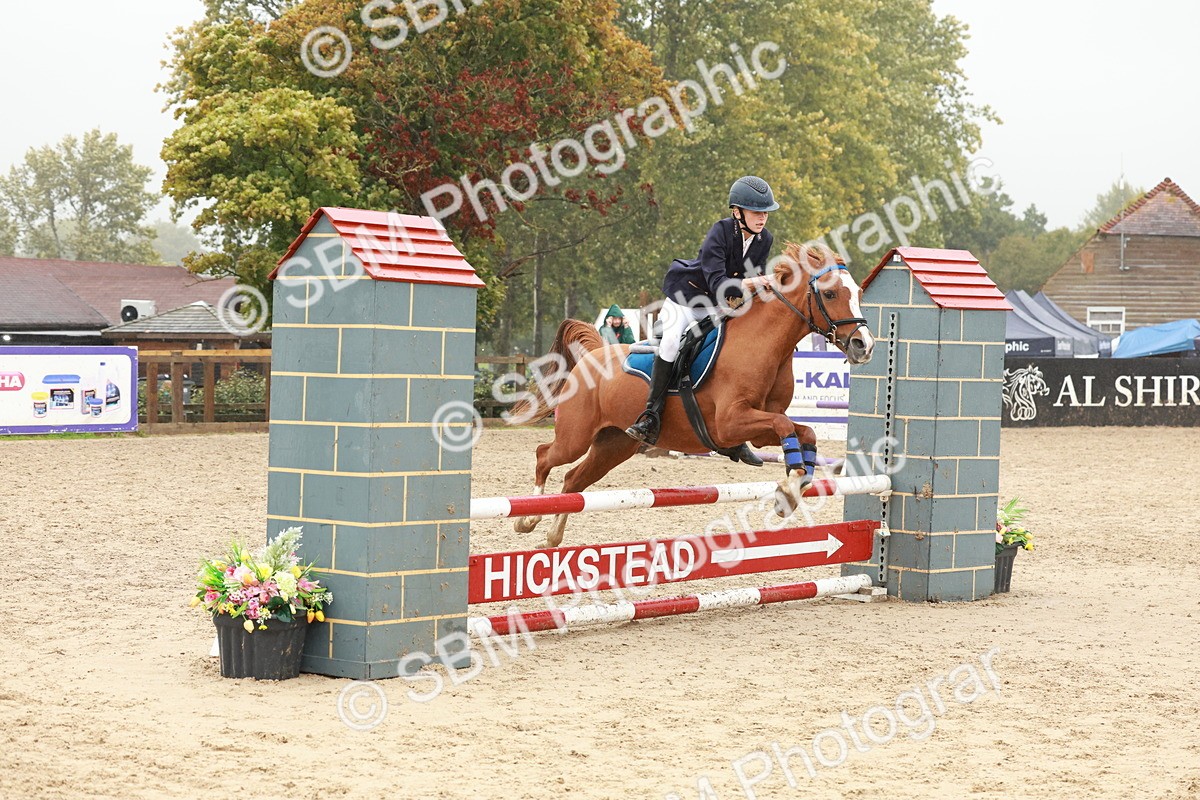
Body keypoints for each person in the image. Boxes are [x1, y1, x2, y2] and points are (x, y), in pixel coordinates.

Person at [624, 176, 778, 463]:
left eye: (765, 212)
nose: (762, 218)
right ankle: (650, 416)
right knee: (671, 344)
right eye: (757, 212)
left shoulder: (764, 239)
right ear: (737, 212)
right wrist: (759, 281)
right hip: (687, 299)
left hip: (719, 305)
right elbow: (719, 281)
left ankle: (734, 437)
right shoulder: (720, 231)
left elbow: (747, 283)